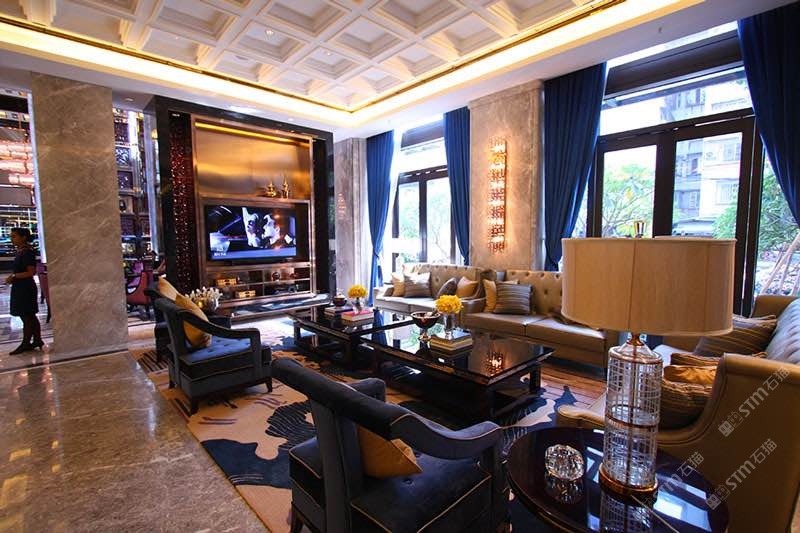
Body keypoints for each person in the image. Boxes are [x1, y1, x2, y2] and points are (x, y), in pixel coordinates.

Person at [6, 227, 44, 354]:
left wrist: (14, 276)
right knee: (29, 315)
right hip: (21, 287)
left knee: (26, 315)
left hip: (25, 288)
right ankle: (37, 340)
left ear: (23, 237)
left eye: (14, 236)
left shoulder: (27, 252)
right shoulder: (21, 251)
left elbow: (31, 272)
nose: (12, 239)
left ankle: (26, 343)